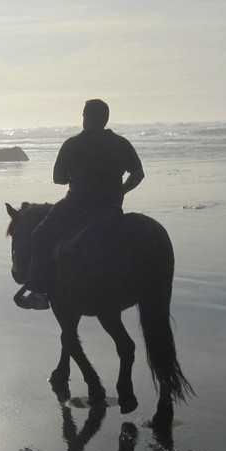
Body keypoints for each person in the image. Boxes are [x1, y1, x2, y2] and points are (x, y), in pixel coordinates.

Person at [17, 99, 144, 310]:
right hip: (111, 208)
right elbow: (138, 174)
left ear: (86, 118)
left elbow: (58, 178)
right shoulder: (121, 143)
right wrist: (120, 191)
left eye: (83, 115)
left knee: (40, 234)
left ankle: (38, 292)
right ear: (105, 119)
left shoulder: (72, 144)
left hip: (76, 206)